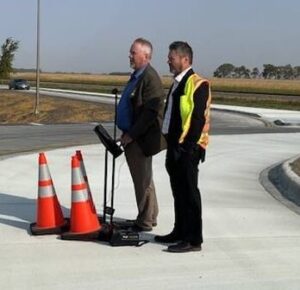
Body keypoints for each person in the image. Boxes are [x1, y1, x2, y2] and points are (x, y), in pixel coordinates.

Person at [154, 41, 212, 252]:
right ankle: (179, 231)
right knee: (178, 192)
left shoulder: (198, 83)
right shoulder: (177, 82)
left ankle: (193, 239)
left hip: (188, 148)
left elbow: (197, 119)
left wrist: (187, 149)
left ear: (184, 59)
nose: (168, 60)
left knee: (189, 193)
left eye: (172, 57)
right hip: (174, 146)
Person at [116, 38, 166, 232]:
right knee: (145, 179)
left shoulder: (150, 77)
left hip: (140, 139)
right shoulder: (137, 75)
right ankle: (150, 216)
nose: (130, 55)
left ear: (146, 55)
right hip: (131, 136)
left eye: (133, 52)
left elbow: (149, 114)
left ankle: (144, 221)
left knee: (142, 180)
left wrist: (131, 135)